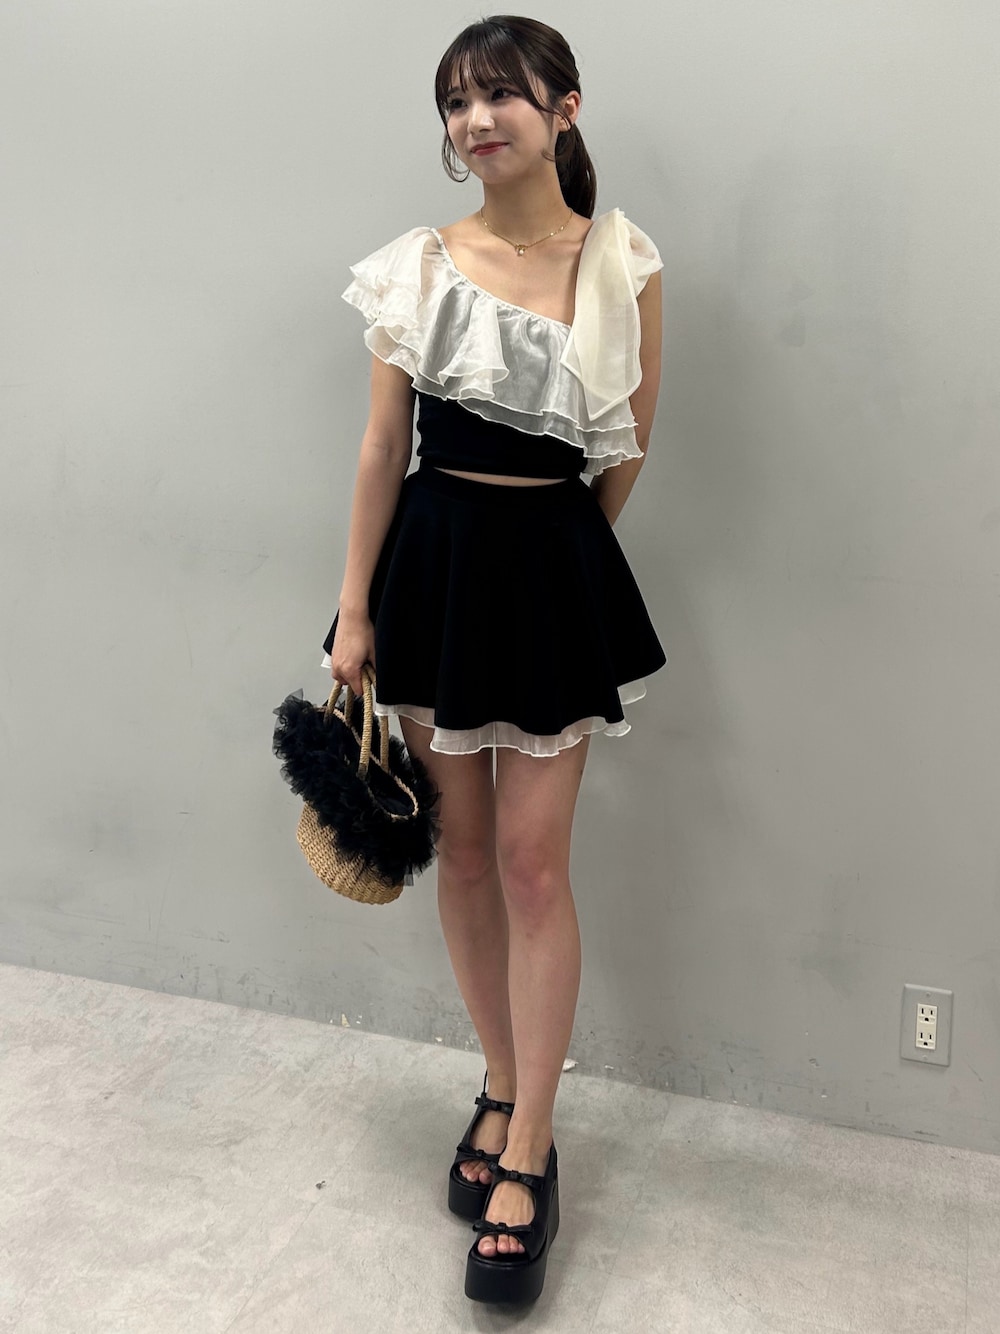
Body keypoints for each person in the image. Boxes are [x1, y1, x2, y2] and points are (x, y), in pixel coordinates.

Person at [322, 14, 666, 1306]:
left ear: (565, 107)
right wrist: (353, 610)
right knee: (463, 856)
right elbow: (380, 449)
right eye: (456, 102)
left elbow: (624, 449)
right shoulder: (416, 266)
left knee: (532, 862)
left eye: (500, 96)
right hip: (432, 571)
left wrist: (559, 559)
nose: (475, 121)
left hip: (549, 574)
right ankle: (504, 1082)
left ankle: (530, 1153)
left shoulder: (622, 261)